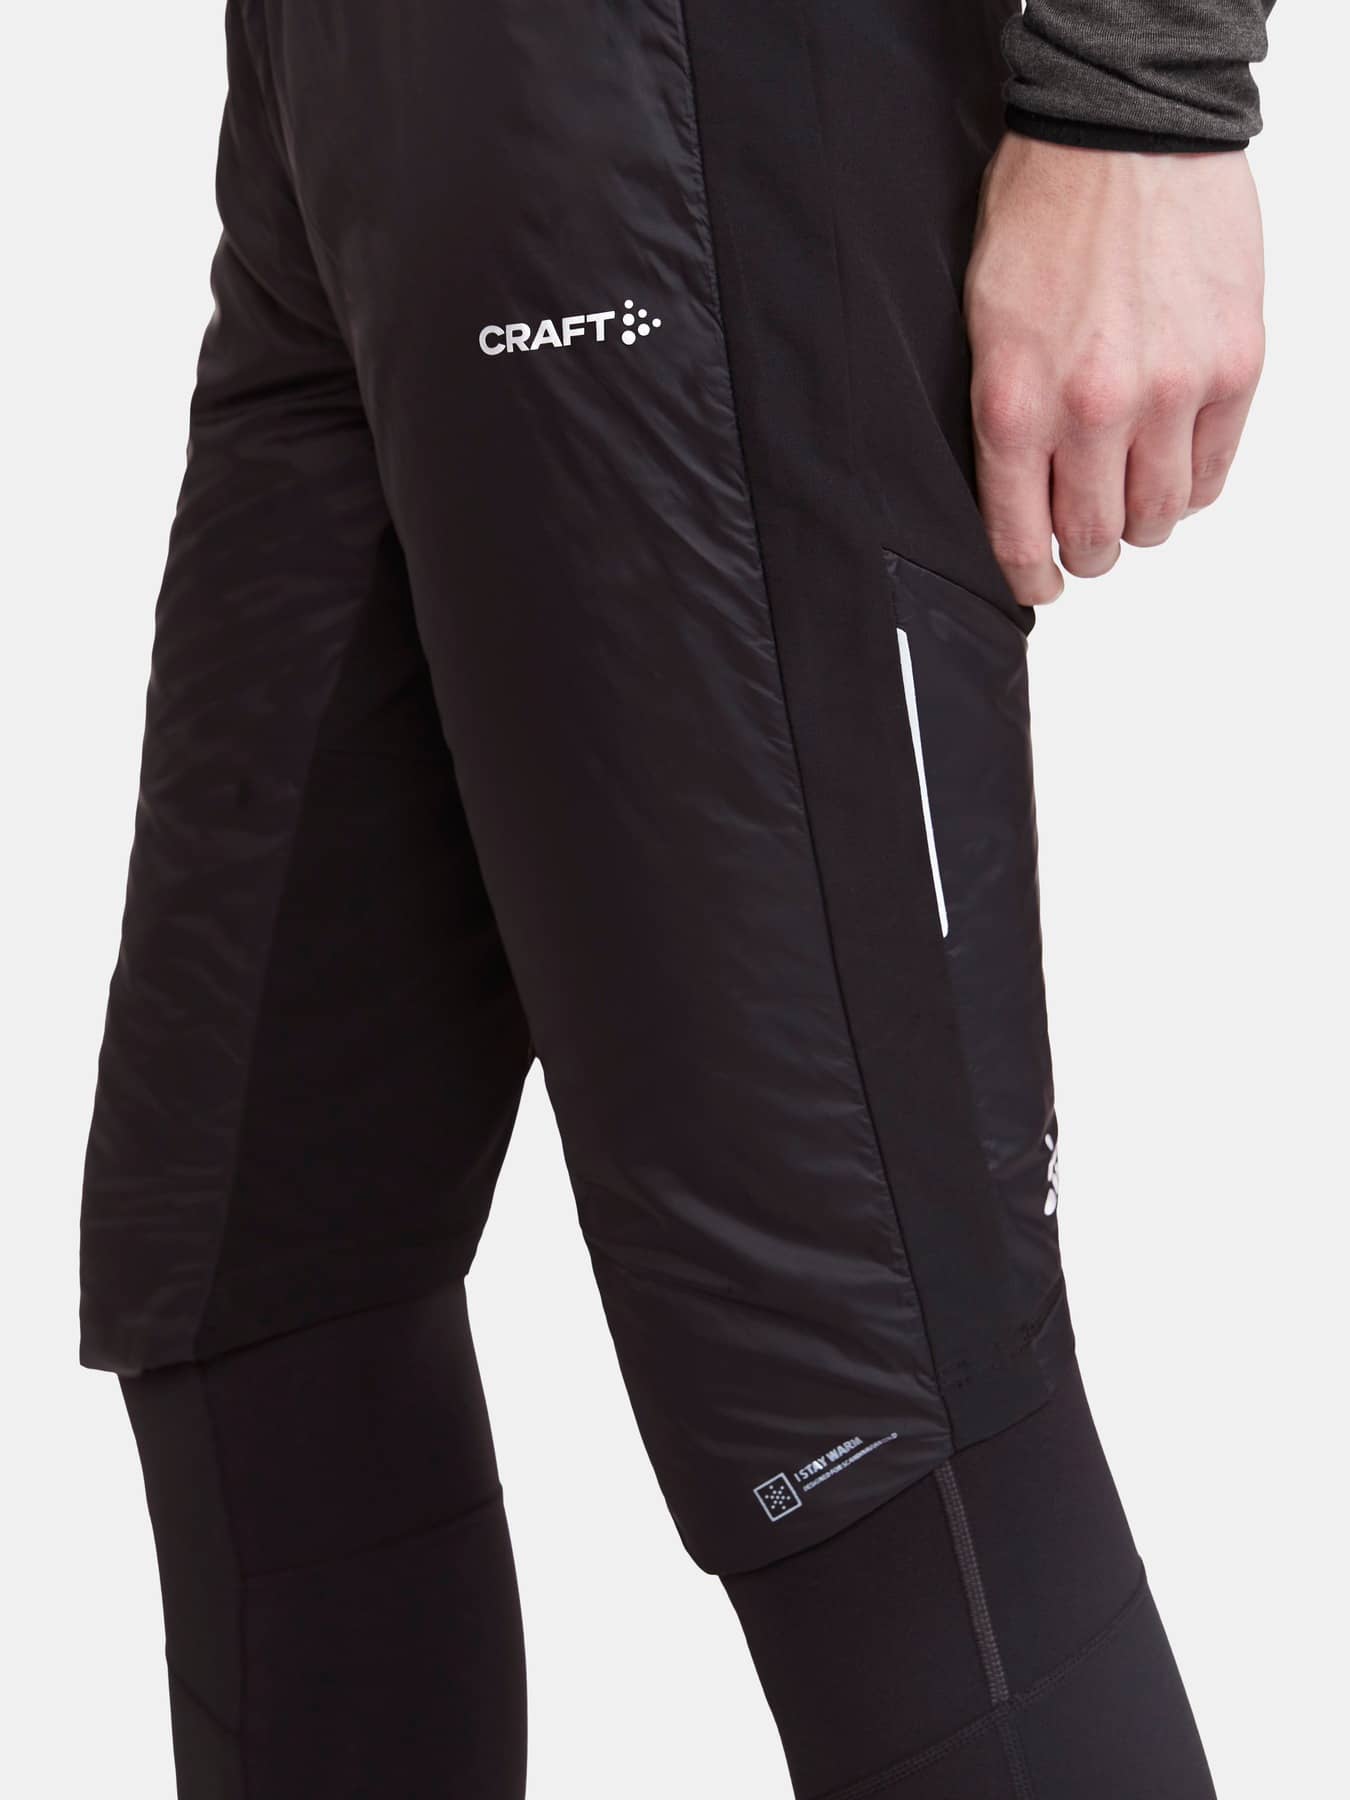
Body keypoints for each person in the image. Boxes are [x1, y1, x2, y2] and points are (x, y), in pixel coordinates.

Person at [80, 3, 1272, 1795]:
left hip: (672, 79)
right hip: (333, 112)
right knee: (249, 1285)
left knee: (857, 1390)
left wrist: (1146, 92)